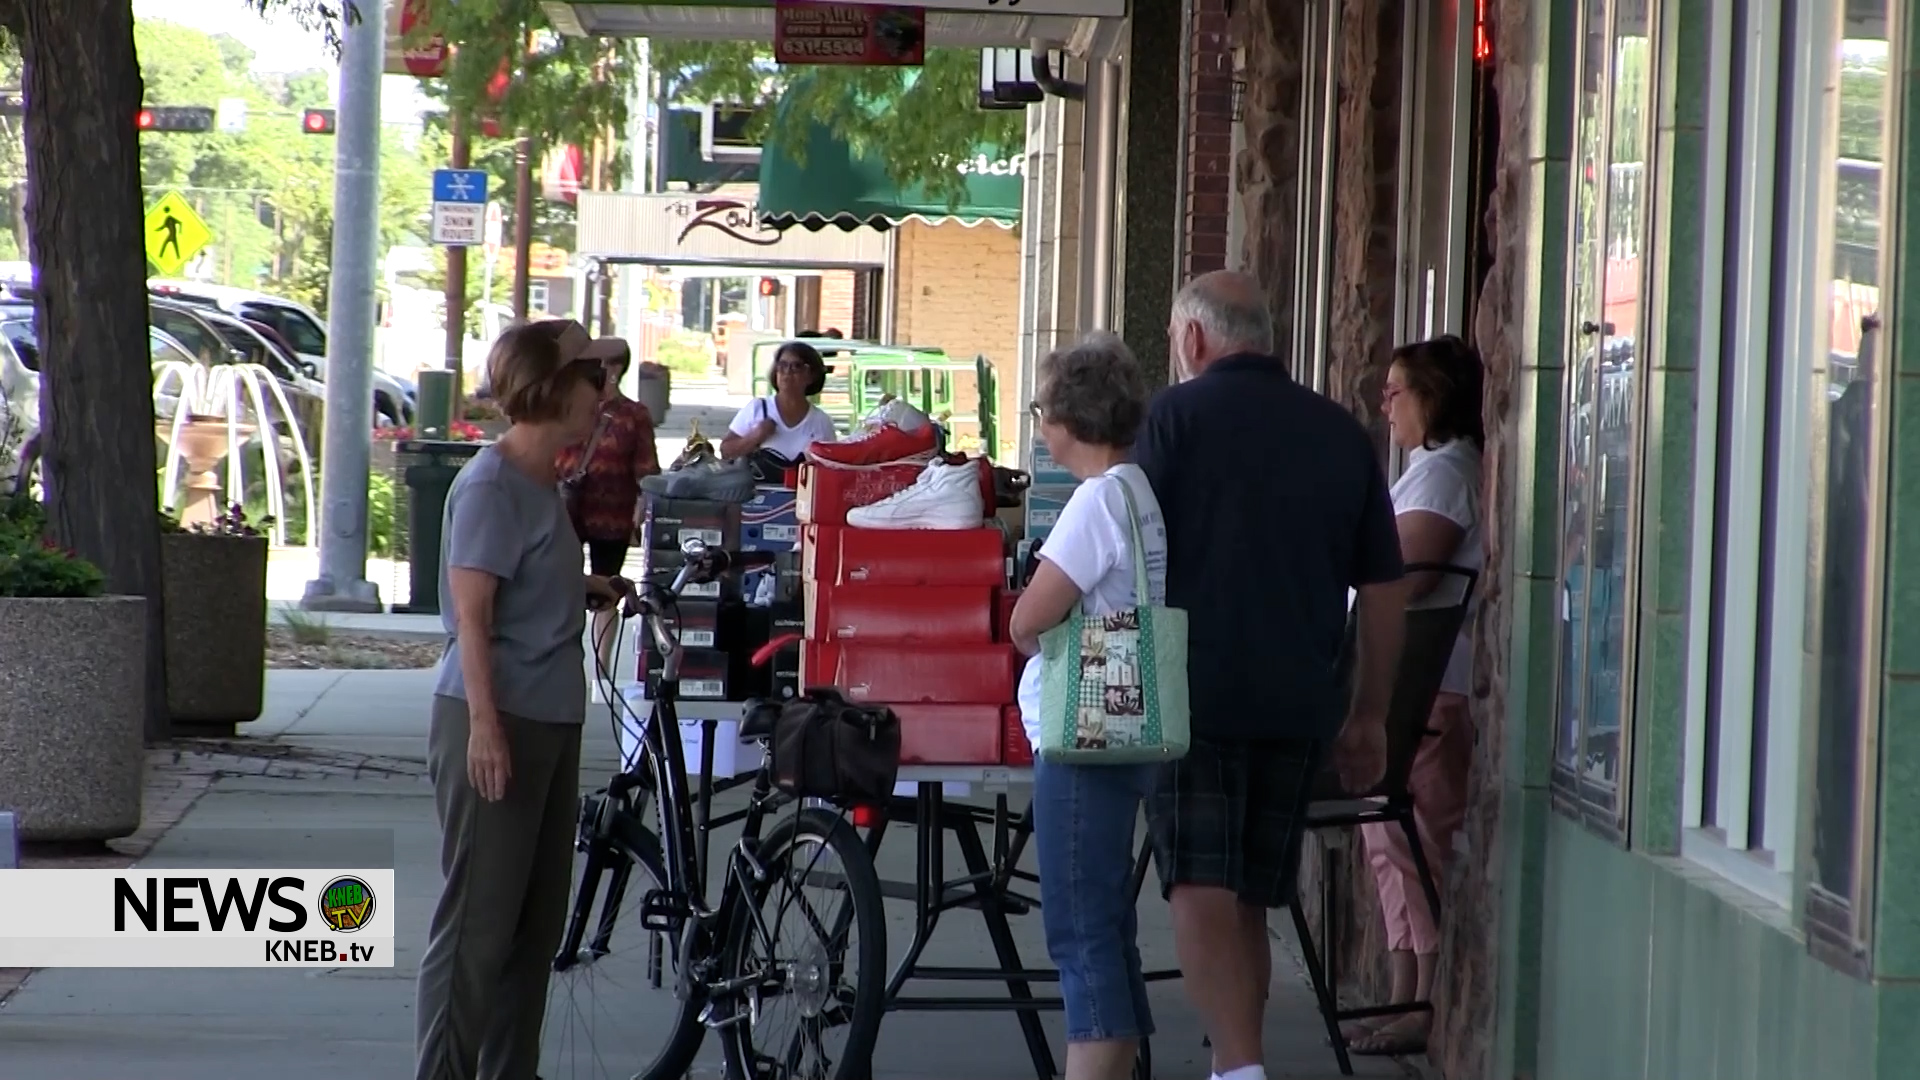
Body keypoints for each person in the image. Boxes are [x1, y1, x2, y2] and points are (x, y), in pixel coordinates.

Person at [1134, 271, 1410, 1080]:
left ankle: (1243, 1071)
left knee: (1198, 885)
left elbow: (1119, 557)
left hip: (1194, 692)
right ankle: (1235, 1061)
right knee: (1250, 893)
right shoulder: (1340, 433)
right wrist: (1369, 715)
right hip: (1300, 698)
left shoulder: (1170, 420)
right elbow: (1385, 589)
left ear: (1192, 339)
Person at [415, 318, 629, 1080]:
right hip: (495, 716)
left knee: (533, 929)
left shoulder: (543, 483)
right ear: (549, 386)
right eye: (589, 377)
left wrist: (589, 586)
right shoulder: (492, 483)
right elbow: (472, 615)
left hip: (551, 715)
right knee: (478, 926)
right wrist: (484, 727)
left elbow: (520, 582)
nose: (602, 392)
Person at [1008, 331, 1168, 1080]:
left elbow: (1027, 621)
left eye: (1042, 408)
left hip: (1083, 735)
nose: (1040, 423)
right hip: (1129, 727)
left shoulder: (1092, 504)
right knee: (1106, 924)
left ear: (1066, 419)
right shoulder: (1135, 490)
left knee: (1079, 932)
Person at [1342, 334, 1484, 1056]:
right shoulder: (1423, 472)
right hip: (1398, 690)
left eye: (1398, 390)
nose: (1385, 404)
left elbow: (1408, 574)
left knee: (1414, 839)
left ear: (1433, 399)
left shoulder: (1446, 474)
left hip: (1427, 692)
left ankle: (1422, 1000)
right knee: (1386, 843)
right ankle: (1400, 989)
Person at [553, 336, 661, 678]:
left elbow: (647, 468)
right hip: (566, 509)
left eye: (596, 363)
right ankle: (564, 658)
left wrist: (642, 508)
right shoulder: (568, 406)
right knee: (560, 582)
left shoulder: (634, 415)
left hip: (612, 514)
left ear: (614, 367)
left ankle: (600, 670)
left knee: (606, 587)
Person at [720, 340, 838, 462]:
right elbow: (726, 452)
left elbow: (831, 466)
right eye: (782, 365)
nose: (787, 372)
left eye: (796, 366)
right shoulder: (758, 409)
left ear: (811, 376)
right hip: (759, 481)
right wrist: (754, 437)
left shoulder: (821, 422)